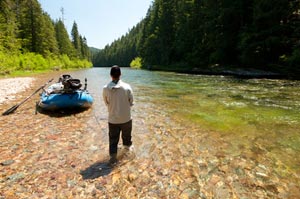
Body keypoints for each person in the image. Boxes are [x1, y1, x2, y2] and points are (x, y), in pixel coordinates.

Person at [103, 65, 134, 165]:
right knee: (127, 141)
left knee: (113, 142)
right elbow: (131, 102)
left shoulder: (105, 88)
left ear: (110, 75)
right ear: (120, 74)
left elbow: (106, 102)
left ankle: (112, 160)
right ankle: (128, 158)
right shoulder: (127, 87)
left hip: (113, 121)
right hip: (126, 119)